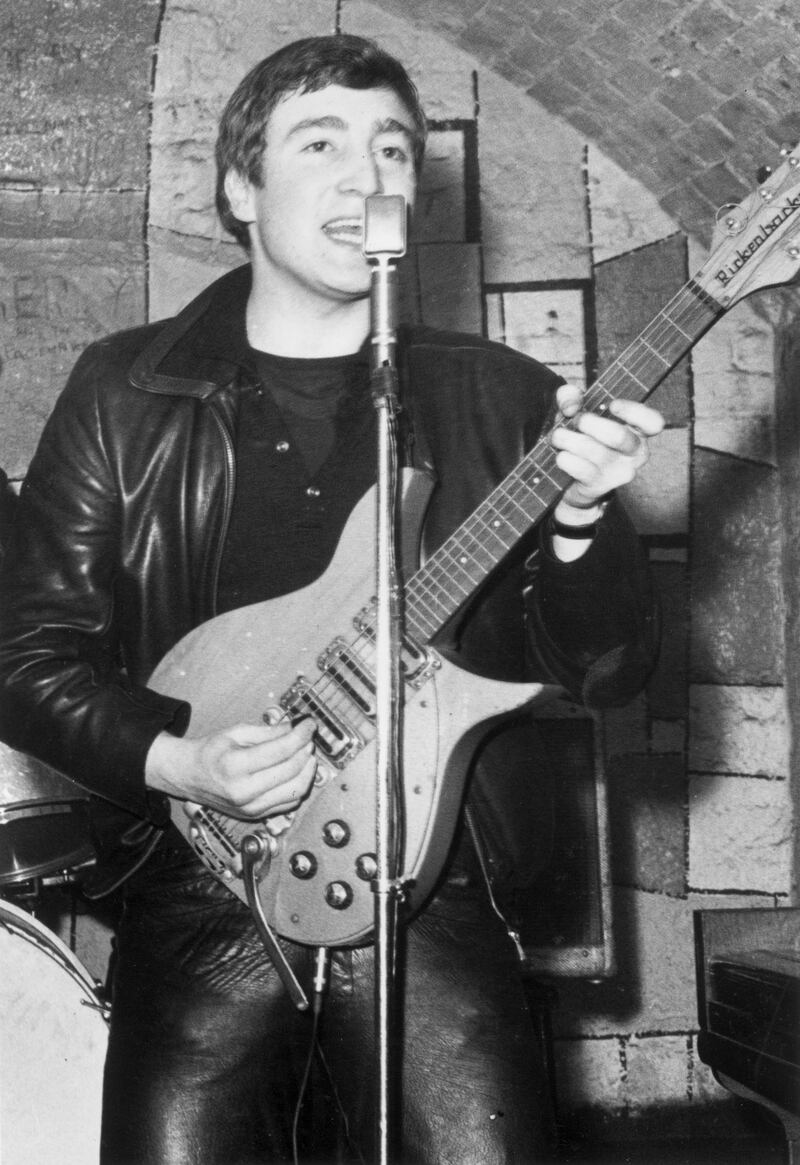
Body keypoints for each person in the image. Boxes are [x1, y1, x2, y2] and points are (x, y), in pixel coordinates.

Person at [0, 34, 662, 1165]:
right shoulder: (124, 391)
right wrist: (179, 762)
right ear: (242, 189)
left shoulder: (502, 398)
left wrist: (583, 522)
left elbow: (605, 672)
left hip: (435, 880)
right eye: (323, 143)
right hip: (203, 873)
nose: (372, 178)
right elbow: (25, 657)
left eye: (394, 148)